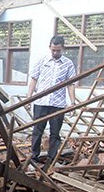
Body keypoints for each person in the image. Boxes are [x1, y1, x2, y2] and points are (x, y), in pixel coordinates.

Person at [26, 36, 76, 167]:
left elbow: (71, 84)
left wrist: (72, 102)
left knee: (55, 133)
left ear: (63, 49)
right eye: (53, 50)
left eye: (58, 50)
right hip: (41, 102)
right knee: (37, 130)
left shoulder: (68, 64)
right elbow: (33, 79)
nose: (55, 53)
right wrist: (29, 98)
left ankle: (51, 159)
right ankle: (34, 158)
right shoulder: (42, 61)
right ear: (50, 48)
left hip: (58, 104)